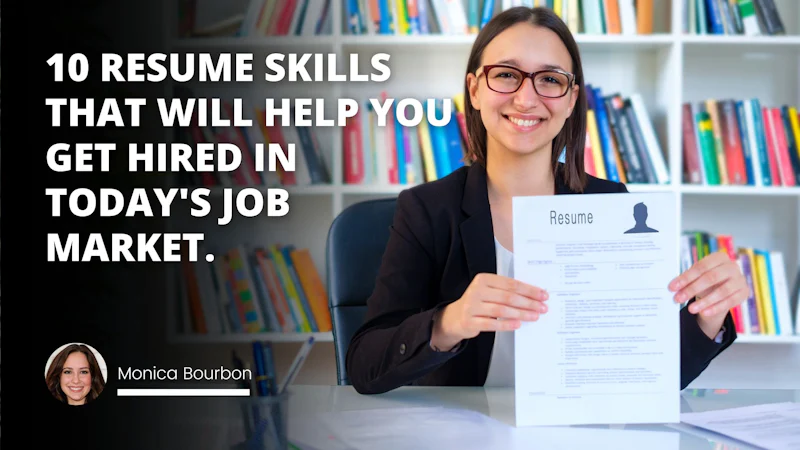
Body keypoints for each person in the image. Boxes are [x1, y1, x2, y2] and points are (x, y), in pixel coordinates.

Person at [345, 6, 747, 395]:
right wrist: (449, 322)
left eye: (550, 80)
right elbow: (364, 365)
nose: (526, 99)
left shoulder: (611, 207)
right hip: (461, 429)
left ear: (571, 99)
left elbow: (648, 375)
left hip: (575, 429)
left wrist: (708, 314)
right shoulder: (427, 210)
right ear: (475, 90)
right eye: (506, 75)